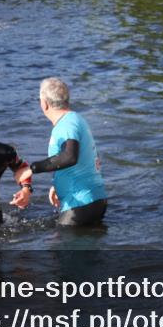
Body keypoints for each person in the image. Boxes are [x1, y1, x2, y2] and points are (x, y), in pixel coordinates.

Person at [28, 78, 106, 226]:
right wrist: (57, 183)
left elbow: (70, 156)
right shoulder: (74, 119)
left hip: (80, 204)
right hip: (94, 200)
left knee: (59, 247)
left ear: (44, 103)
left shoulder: (67, 124)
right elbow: (84, 157)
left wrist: (32, 168)